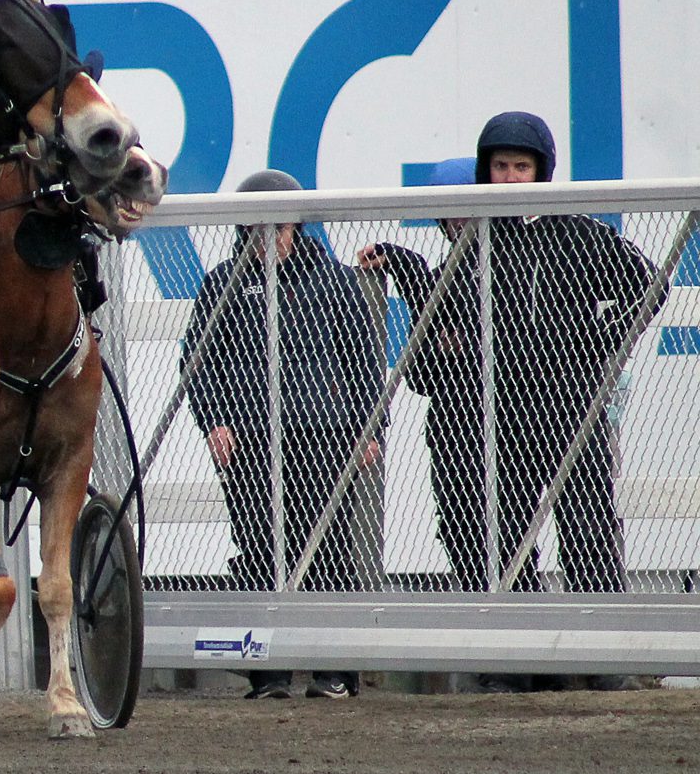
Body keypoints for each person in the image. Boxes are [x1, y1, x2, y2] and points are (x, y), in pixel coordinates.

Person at [184, 169, 382, 701]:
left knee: (328, 549)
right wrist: (215, 420)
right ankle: (267, 670)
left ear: (296, 226)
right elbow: (199, 361)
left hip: (323, 432)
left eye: (279, 227)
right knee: (258, 547)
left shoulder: (334, 282)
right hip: (250, 437)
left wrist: (369, 428)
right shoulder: (224, 284)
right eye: (257, 228)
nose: (268, 239)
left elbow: (363, 361)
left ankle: (333, 670)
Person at [471, 111, 660, 597]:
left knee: (588, 524)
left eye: (522, 167)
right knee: (505, 533)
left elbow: (649, 286)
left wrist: (600, 340)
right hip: (505, 409)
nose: (510, 179)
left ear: (542, 170)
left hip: (573, 403)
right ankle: (515, 638)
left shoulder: (580, 232)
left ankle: (604, 632)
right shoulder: (480, 238)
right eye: (500, 166)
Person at [359, 158, 488, 592]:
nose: (458, 223)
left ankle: (518, 620)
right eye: (450, 215)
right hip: (454, 424)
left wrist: (457, 343)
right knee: (460, 528)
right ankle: (483, 616)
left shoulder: (509, 264)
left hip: (502, 419)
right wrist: (405, 265)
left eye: (465, 211)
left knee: (505, 531)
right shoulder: (447, 272)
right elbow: (422, 373)